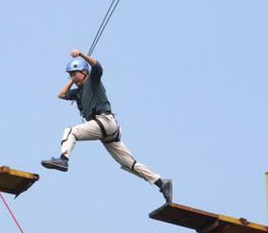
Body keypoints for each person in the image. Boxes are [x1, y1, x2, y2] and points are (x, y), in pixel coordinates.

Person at [41, 49, 173, 204]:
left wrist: (81, 55)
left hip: (105, 121)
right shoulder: (78, 92)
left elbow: (97, 66)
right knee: (129, 164)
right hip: (106, 132)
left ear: (84, 71)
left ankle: (63, 159)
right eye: (70, 75)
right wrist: (72, 78)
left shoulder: (93, 80)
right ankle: (161, 183)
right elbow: (61, 95)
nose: (73, 77)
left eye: (74, 74)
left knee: (71, 131)